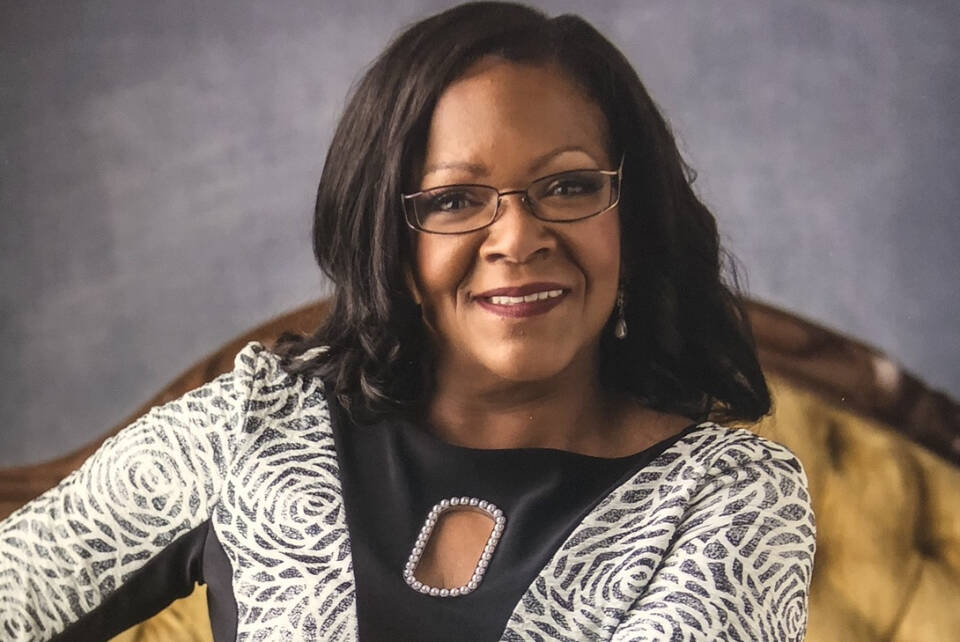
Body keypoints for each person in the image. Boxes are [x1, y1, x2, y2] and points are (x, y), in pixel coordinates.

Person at [0, 2, 815, 640]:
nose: (518, 238)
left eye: (568, 187)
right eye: (455, 200)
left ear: (630, 219)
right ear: (390, 241)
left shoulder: (730, 502)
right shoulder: (254, 427)